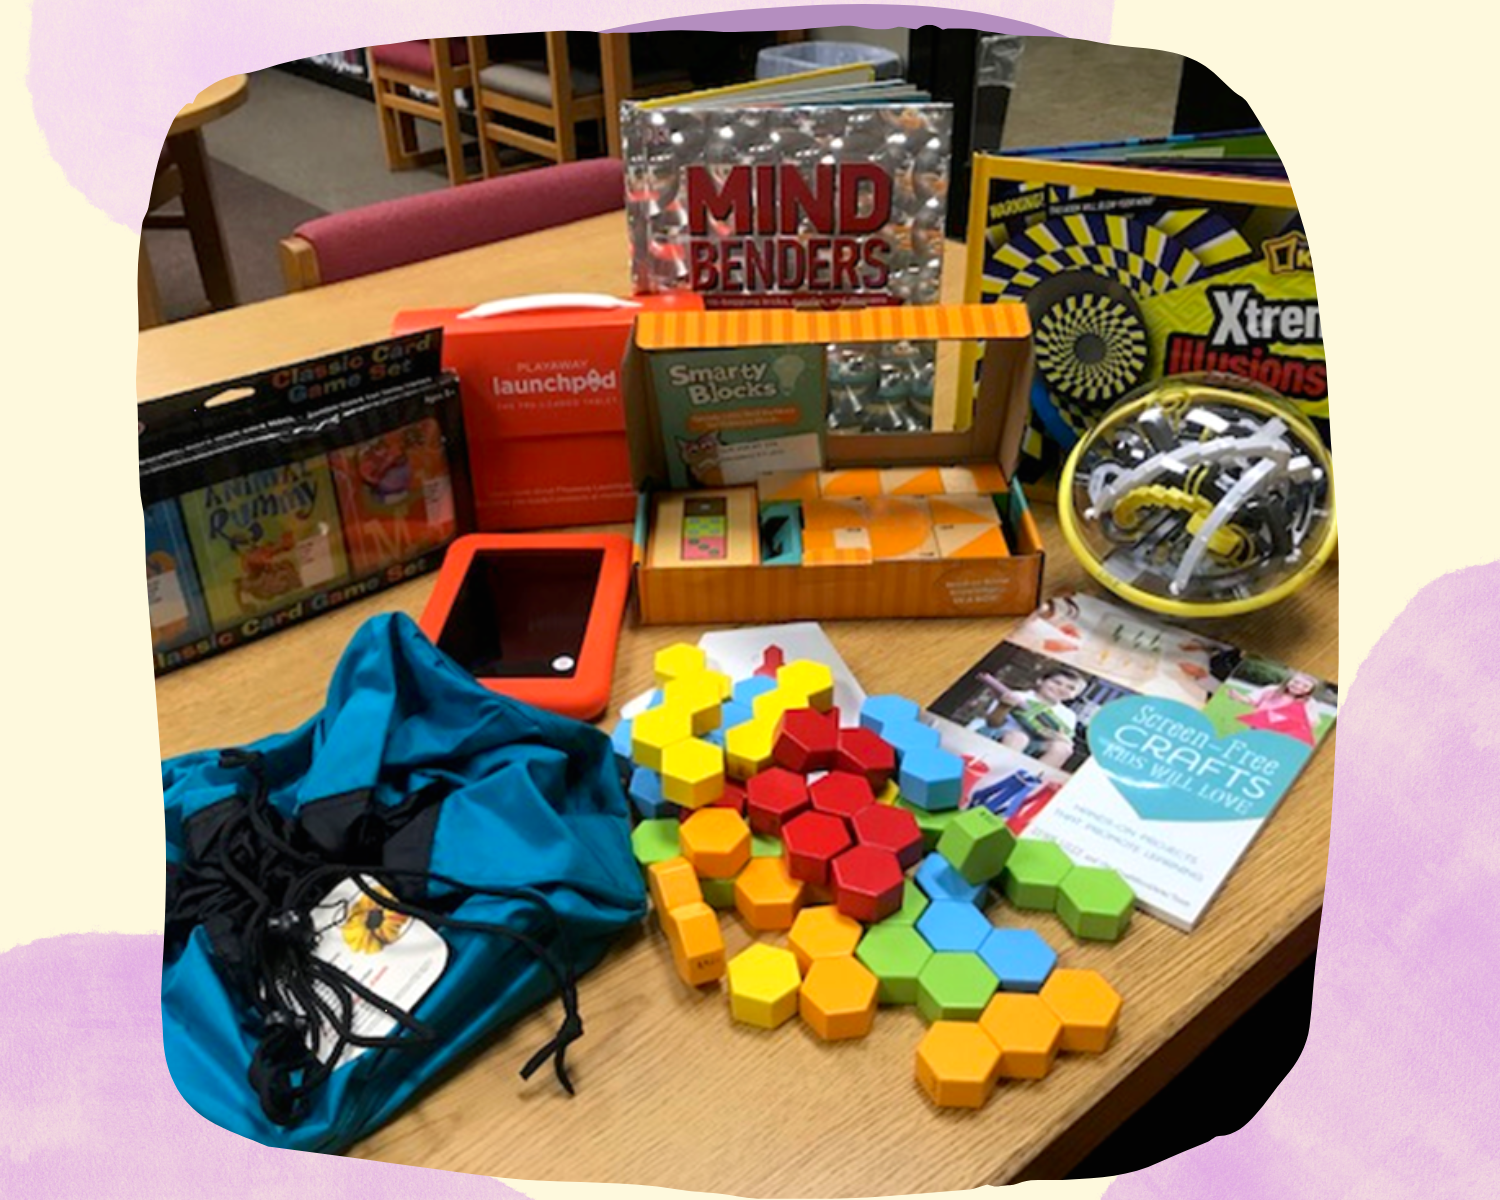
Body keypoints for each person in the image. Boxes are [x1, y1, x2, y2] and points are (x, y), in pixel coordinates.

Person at [966, 667, 1087, 767]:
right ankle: (996, 770)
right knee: (1019, 737)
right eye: (1056, 682)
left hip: (1035, 744)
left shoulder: (1068, 715)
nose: (1061, 688)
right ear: (1040, 681)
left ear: (1075, 695)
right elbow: (992, 723)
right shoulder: (1018, 696)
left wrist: (1061, 738)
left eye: (1070, 688)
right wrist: (1004, 706)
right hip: (1001, 735)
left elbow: (1065, 738)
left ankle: (1028, 779)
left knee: (1063, 748)